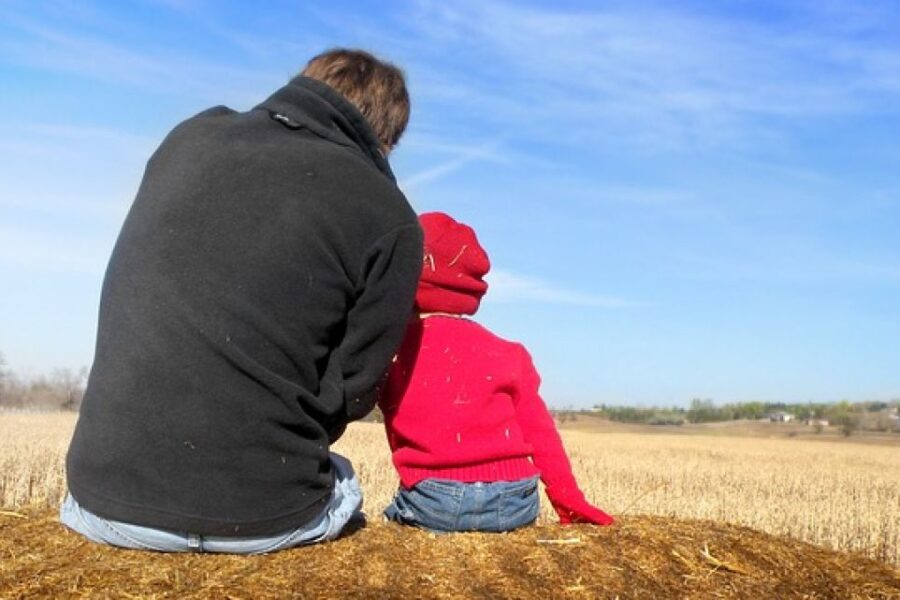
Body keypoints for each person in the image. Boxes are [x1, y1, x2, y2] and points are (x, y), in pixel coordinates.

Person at [61, 49, 423, 554]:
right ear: (385, 139)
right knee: (344, 480)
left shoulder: (189, 137)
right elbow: (355, 390)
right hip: (262, 518)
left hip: (98, 504)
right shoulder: (391, 216)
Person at [378, 212, 615, 533]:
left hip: (437, 499)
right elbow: (541, 433)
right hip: (517, 498)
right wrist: (568, 499)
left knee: (385, 521)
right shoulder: (509, 352)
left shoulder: (394, 352)